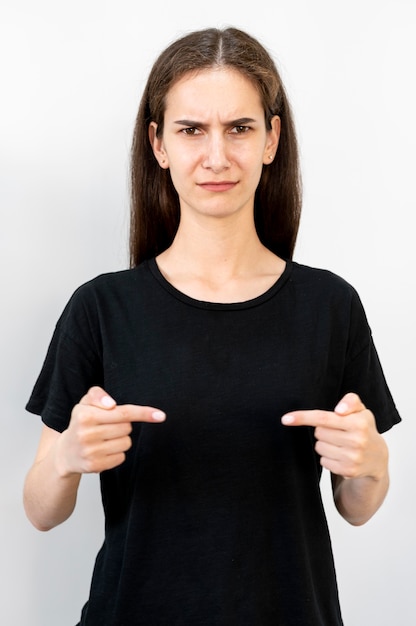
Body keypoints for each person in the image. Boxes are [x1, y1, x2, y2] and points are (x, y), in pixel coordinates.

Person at [23, 27, 401, 626]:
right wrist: (67, 456)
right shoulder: (100, 308)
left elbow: (356, 507)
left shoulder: (332, 307)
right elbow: (41, 510)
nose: (217, 156)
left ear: (272, 139)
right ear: (159, 144)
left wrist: (372, 463)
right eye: (192, 129)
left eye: (240, 128)